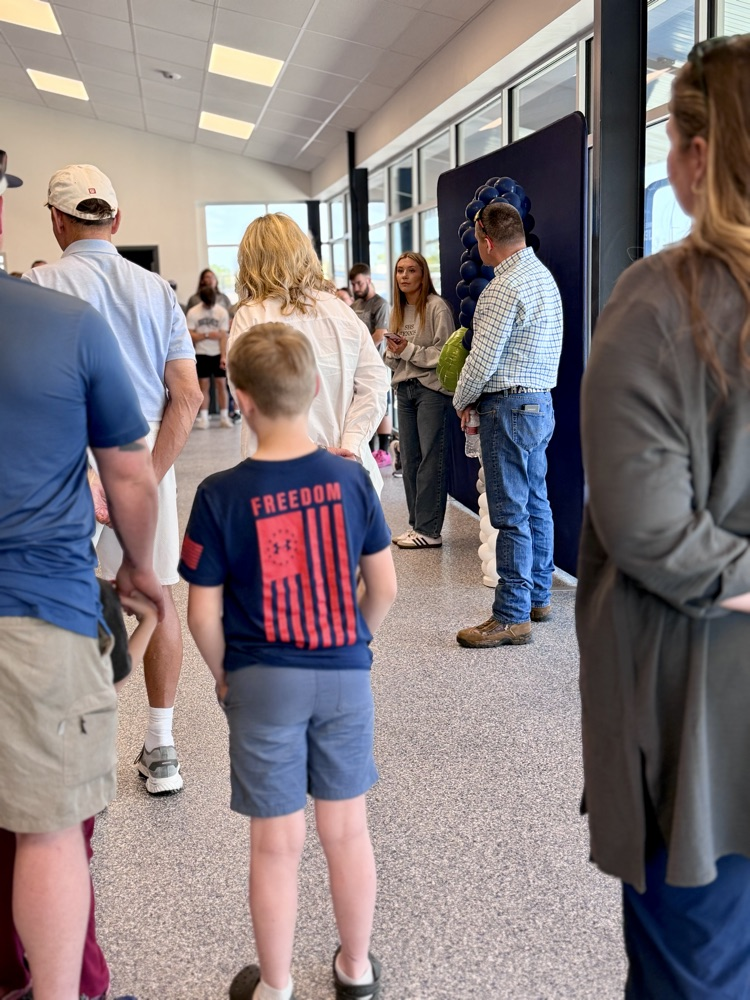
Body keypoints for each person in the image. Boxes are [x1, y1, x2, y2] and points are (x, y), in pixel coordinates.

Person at [577, 34, 750, 999]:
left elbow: (647, 528)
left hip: (701, 705)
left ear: (696, 155)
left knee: (696, 968)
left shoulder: (659, 301)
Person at [179, 323, 397, 1000]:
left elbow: (201, 613)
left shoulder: (219, 494)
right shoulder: (351, 479)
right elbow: (383, 587)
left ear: (240, 398)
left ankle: (275, 986)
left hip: (261, 678)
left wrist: (225, 675)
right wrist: (354, 644)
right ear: (316, 388)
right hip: (342, 674)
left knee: (275, 843)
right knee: (346, 830)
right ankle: (356, 971)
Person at [0, 150, 164, 1000]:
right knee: (51, 828)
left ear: (59, 221)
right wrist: (140, 566)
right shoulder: (60, 320)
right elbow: (129, 471)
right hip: (37, 604)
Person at [24, 163, 202, 794]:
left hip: (67, 464)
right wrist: (143, 479)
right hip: (145, 455)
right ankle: (162, 747)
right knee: (157, 597)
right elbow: (188, 396)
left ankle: (75, 751)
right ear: (116, 220)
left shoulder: (38, 286)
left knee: (67, 601)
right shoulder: (157, 291)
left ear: (56, 220)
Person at [1, 584, 159, 1000]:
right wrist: (150, 620)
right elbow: (112, 683)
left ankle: (12, 982)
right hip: (63, 780)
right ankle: (86, 986)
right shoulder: (83, 592)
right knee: (63, 875)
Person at [452, 203, 562, 647]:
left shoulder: (502, 288)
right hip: (540, 404)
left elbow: (482, 360)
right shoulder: (542, 278)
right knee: (536, 502)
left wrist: (461, 399)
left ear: (486, 239)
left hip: (508, 406)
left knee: (510, 513)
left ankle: (511, 616)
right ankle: (538, 597)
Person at [227, 213, 389, 494]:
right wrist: (350, 445)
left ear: (251, 261)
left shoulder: (251, 316)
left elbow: (246, 394)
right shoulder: (340, 310)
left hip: (281, 475)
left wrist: (316, 451)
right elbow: (375, 384)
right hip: (349, 471)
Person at [384, 252, 455, 548]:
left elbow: (446, 354)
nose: (404, 276)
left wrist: (407, 349)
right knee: (410, 460)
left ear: (423, 275)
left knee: (430, 459)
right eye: (400, 270)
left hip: (431, 390)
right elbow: (394, 359)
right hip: (404, 389)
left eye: (411, 270)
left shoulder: (437, 307)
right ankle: (417, 526)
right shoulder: (397, 310)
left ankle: (429, 530)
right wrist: (392, 351)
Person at [349, 263, 393, 469]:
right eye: (353, 284)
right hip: (356, 365)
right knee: (361, 405)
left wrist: (363, 352)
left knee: (381, 407)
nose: (356, 287)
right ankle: (367, 449)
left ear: (368, 280)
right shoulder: (354, 306)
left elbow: (380, 333)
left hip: (376, 364)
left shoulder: (380, 304)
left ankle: (384, 451)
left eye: (359, 283)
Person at [186, 284, 232, 428]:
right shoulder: (193, 312)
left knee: (221, 384)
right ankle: (204, 418)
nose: (210, 306)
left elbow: (223, 336)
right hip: (201, 353)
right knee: (203, 385)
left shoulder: (221, 312)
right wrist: (207, 335)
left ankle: (224, 417)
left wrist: (223, 356)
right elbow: (190, 334)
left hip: (218, 352)